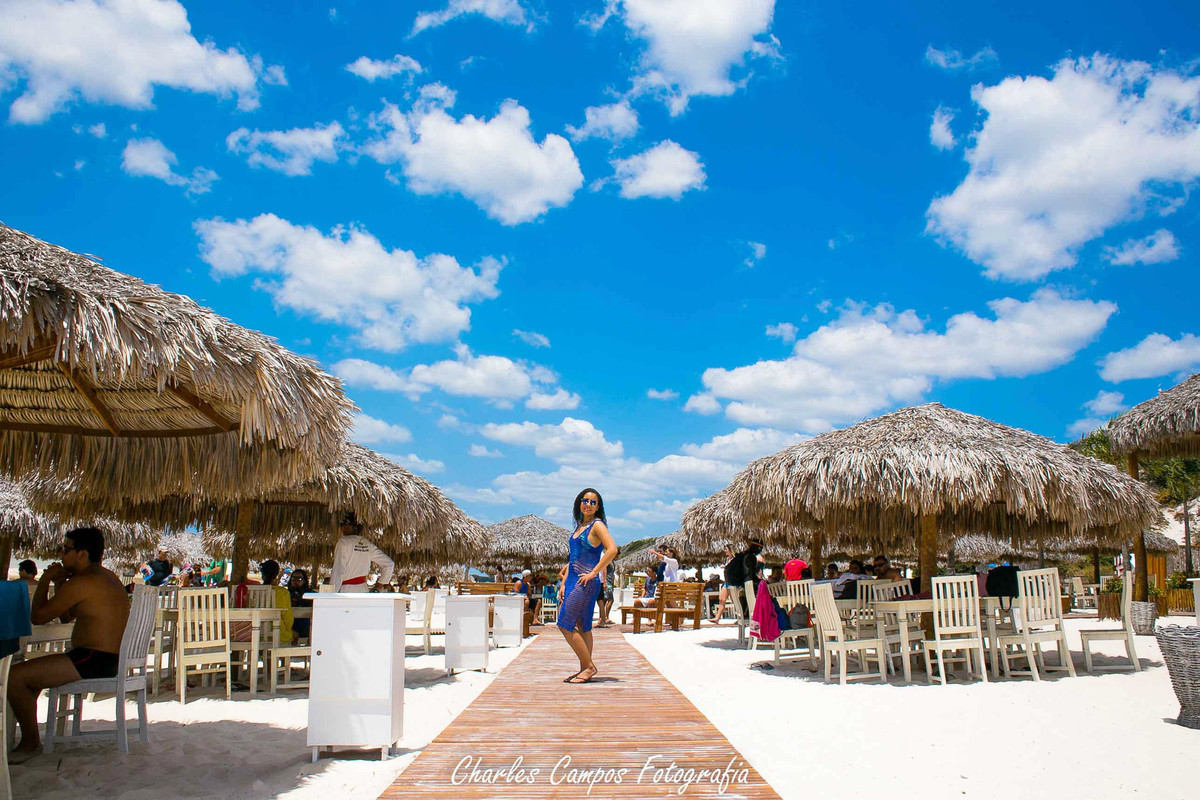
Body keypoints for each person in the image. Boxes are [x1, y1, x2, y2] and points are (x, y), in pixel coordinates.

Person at [6, 527, 129, 762]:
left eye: (65, 549)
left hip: (91, 659)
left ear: (82, 554)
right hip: (103, 658)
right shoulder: (106, 577)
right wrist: (61, 582)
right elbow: (66, 617)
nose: (61, 555)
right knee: (28, 678)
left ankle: (31, 743)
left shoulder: (83, 582)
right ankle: (28, 737)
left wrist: (45, 580)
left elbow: (38, 617)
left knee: (15, 677)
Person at [557, 488, 618, 684]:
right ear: (579, 503)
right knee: (583, 625)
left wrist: (594, 572)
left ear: (598, 507)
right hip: (574, 580)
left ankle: (589, 666)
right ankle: (584, 668)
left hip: (586, 582)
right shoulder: (580, 526)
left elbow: (612, 550)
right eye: (585, 500)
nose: (588, 505)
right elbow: (573, 559)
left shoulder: (597, 525)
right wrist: (563, 583)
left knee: (564, 624)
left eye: (593, 502)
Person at [330, 511, 394, 592]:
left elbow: (338, 570)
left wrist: (331, 593)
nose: (341, 528)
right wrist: (380, 584)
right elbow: (389, 564)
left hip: (346, 590)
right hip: (363, 590)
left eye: (343, 525)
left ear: (352, 527)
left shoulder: (343, 542)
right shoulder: (367, 544)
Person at [708, 546, 736, 623]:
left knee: (735, 601)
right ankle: (717, 618)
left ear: (730, 550)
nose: (725, 551)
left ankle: (741, 617)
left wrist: (725, 566)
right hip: (726, 582)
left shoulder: (735, 559)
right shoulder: (727, 559)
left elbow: (733, 568)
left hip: (732, 582)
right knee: (722, 600)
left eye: (726, 549)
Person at [288, 568, 313, 642]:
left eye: (299, 579)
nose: (295, 581)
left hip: (306, 624)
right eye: (293, 578)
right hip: (290, 623)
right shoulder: (286, 594)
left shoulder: (311, 595)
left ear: (304, 581)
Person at [595, 560, 616, 628]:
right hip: (605, 582)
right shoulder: (607, 559)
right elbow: (604, 567)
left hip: (606, 582)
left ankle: (602, 618)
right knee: (608, 600)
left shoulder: (612, 562)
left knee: (602, 600)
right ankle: (605, 618)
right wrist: (605, 581)